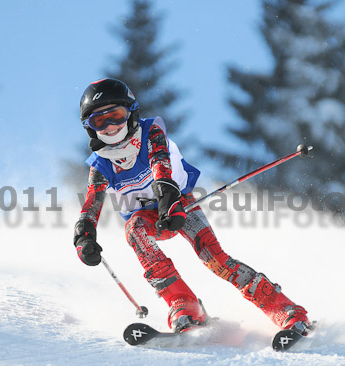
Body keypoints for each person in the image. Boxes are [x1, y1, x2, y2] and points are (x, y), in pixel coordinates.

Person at [73, 78, 311, 334]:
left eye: (116, 116)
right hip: (146, 217)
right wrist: (84, 237)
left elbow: (160, 165)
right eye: (100, 121)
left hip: (178, 204)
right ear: (90, 127)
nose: (110, 127)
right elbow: (91, 203)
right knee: (133, 230)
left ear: (130, 112)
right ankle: (184, 305)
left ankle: (286, 311)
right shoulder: (101, 164)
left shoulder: (150, 132)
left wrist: (169, 201)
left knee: (216, 260)